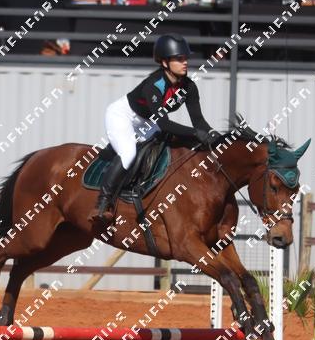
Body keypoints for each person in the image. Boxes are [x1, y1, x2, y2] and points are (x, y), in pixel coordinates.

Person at [89, 34, 219, 225]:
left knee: (167, 145)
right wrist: (195, 133)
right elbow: (165, 124)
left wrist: (214, 135)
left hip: (149, 121)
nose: (185, 62)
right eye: (179, 58)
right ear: (165, 62)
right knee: (128, 153)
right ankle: (102, 203)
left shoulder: (189, 87)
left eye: (186, 58)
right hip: (124, 116)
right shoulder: (154, 85)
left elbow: (199, 121)